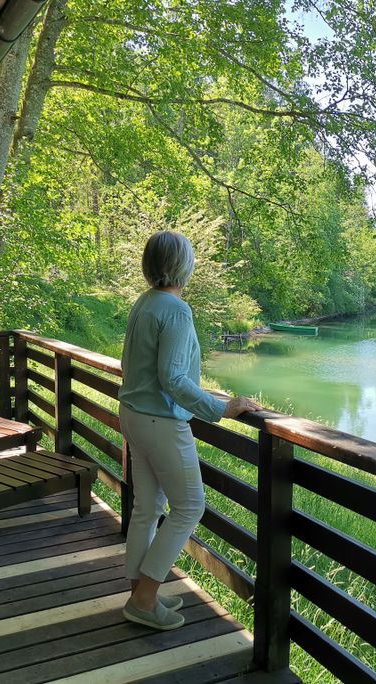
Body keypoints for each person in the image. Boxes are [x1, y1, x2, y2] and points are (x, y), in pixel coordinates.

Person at [118, 230, 262, 630]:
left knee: (147, 507)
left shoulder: (144, 303)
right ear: (184, 266)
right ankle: (144, 599)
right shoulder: (176, 310)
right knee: (189, 507)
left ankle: (138, 594)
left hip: (132, 412)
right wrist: (222, 408)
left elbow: (134, 365)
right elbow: (174, 379)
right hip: (160, 421)